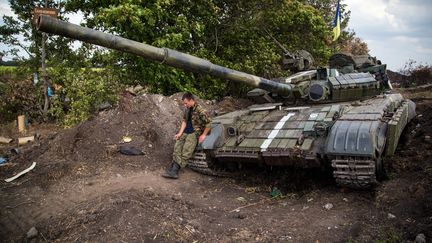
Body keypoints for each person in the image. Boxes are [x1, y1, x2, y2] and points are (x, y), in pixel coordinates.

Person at [162, 92, 211, 179]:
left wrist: (203, 135)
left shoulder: (201, 110)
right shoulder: (188, 109)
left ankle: (174, 170)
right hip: (185, 132)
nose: (185, 105)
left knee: (186, 152)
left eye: (186, 103)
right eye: (184, 103)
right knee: (177, 147)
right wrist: (180, 133)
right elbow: (184, 121)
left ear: (191, 100)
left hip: (194, 133)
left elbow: (209, 123)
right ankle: (173, 167)